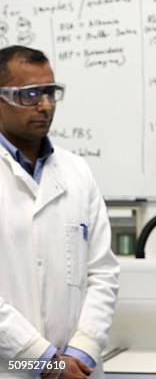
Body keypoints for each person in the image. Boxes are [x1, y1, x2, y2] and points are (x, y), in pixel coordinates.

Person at [0, 46, 119, 378]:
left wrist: (83, 350)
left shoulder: (76, 171)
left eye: (50, 92)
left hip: (79, 367)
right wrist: (45, 360)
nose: (45, 105)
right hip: (12, 368)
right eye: (30, 94)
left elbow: (103, 272)